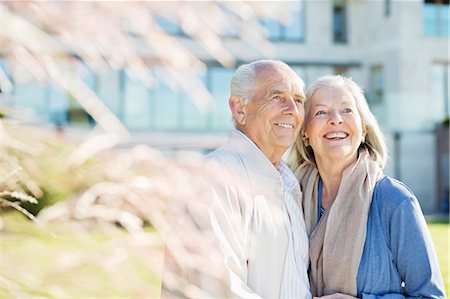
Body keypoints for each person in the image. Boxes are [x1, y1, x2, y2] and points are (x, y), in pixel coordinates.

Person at [290, 75, 446, 298]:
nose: (335, 119)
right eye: (321, 112)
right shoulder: (291, 197)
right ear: (304, 133)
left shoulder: (394, 200)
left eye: (347, 110)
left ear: (363, 128)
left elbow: (431, 296)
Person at [205, 60, 311, 298]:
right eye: (276, 97)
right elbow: (221, 288)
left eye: (299, 100)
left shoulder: (290, 184)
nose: (293, 110)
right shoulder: (215, 176)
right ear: (239, 109)